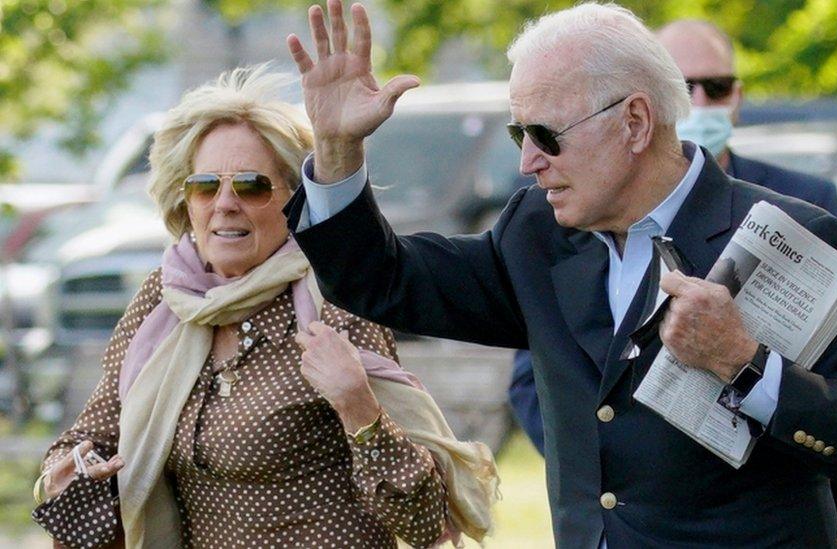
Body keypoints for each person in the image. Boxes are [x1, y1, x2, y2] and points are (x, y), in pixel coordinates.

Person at [285, 2, 837, 547]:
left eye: (545, 134)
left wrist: (743, 360)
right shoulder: (537, 231)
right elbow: (385, 280)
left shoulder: (785, 232)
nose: (529, 161)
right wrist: (339, 151)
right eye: (517, 134)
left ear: (635, 122)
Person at [36, 65, 497, 548]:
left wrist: (359, 408)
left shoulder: (334, 303)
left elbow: (423, 523)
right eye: (206, 185)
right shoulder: (164, 302)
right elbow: (90, 436)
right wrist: (69, 472)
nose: (225, 203)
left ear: (292, 201)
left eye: (252, 185)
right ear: (184, 200)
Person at [509, 18, 837, 548]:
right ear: (644, 107)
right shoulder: (578, 211)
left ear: (738, 97)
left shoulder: (797, 201)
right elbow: (539, 374)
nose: (700, 103)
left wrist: (753, 352)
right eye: (684, 87)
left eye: (718, 87)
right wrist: (615, 464)